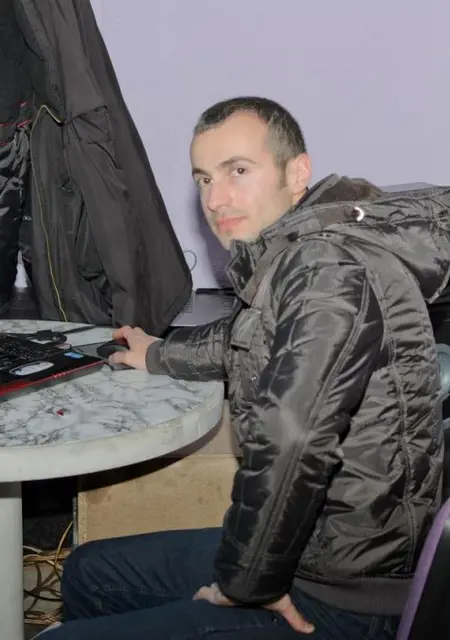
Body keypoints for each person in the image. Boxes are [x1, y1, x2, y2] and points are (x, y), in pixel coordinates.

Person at [46, 97, 447, 640]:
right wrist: (158, 353)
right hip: (310, 550)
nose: (215, 199)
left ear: (296, 173)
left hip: (342, 596)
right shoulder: (303, 252)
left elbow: (293, 436)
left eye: (237, 171)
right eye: (204, 179)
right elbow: (249, 338)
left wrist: (250, 581)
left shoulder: (328, 269)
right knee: (89, 571)